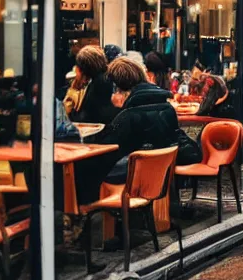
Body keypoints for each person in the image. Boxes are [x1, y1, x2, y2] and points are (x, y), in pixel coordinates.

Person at [75, 57, 200, 205]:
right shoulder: (166, 107)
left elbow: (108, 150)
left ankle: (82, 213)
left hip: (136, 178)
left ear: (118, 87)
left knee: (82, 168)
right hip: (160, 174)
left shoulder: (127, 116)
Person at [63, 45, 116, 124]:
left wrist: (73, 91)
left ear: (82, 69)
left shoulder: (98, 84)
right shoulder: (108, 78)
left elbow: (84, 118)